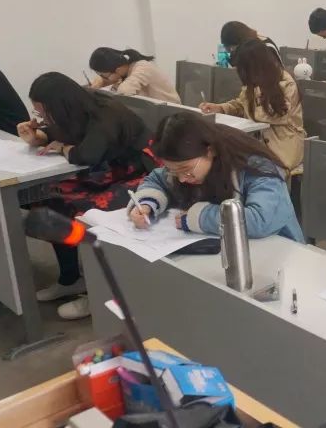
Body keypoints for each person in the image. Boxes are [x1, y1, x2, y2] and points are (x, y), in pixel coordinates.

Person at [22, 73, 158, 320]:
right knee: (51, 202)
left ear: (60, 107)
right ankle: (70, 278)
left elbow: (86, 154)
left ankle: (97, 294)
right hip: (110, 171)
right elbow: (70, 137)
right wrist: (40, 136)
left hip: (141, 176)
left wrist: (62, 148)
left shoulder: (106, 114)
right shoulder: (78, 109)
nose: (43, 119)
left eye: (44, 113)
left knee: (82, 213)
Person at [128, 112, 303, 241]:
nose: (181, 178)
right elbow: (157, 179)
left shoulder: (257, 167)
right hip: (222, 250)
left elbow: (260, 220)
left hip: (279, 253)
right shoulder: (185, 163)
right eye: (173, 170)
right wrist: (147, 204)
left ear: (209, 151)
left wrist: (200, 217)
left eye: (185, 169)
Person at [200, 41, 306, 176]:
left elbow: (276, 115)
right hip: (256, 144)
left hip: (282, 147)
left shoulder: (286, 83)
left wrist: (250, 102)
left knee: (253, 174)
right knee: (222, 164)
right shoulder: (254, 82)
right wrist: (220, 108)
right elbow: (241, 104)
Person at [88, 47, 181, 103]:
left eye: (104, 76)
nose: (103, 78)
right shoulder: (127, 69)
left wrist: (110, 83)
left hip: (171, 113)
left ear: (118, 70)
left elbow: (124, 92)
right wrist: (102, 81)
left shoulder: (142, 67)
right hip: (154, 114)